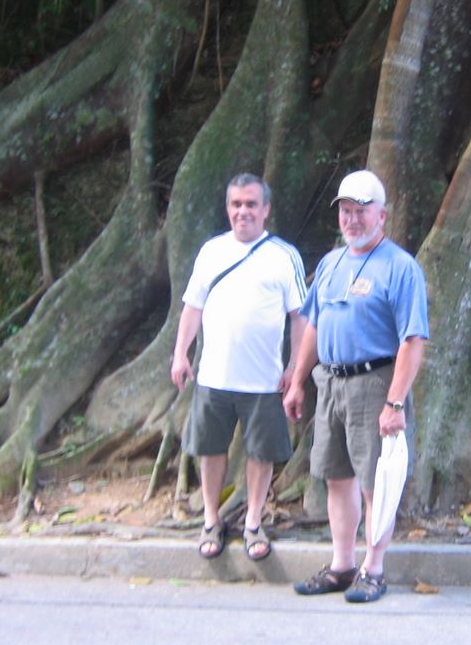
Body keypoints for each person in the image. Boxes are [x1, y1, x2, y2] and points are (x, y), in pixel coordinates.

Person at [283, 169, 428, 603]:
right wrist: (297, 381)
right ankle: (342, 564)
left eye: (361, 211)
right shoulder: (331, 263)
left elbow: (413, 340)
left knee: (373, 481)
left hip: (374, 383)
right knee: (337, 477)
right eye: (345, 211)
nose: (352, 219)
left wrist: (395, 403)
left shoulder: (400, 267)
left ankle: (374, 568)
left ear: (382, 216)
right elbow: (313, 325)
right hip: (330, 383)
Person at [171, 173, 307, 562]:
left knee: (261, 453)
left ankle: (253, 522)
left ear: (265, 210)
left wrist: (295, 367)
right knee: (210, 449)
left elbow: (299, 317)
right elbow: (192, 307)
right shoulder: (211, 252)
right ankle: (211, 520)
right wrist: (180, 353)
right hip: (214, 376)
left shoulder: (284, 255)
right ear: (227, 208)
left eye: (250, 204)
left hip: (263, 380)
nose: (243, 211)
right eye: (236, 204)